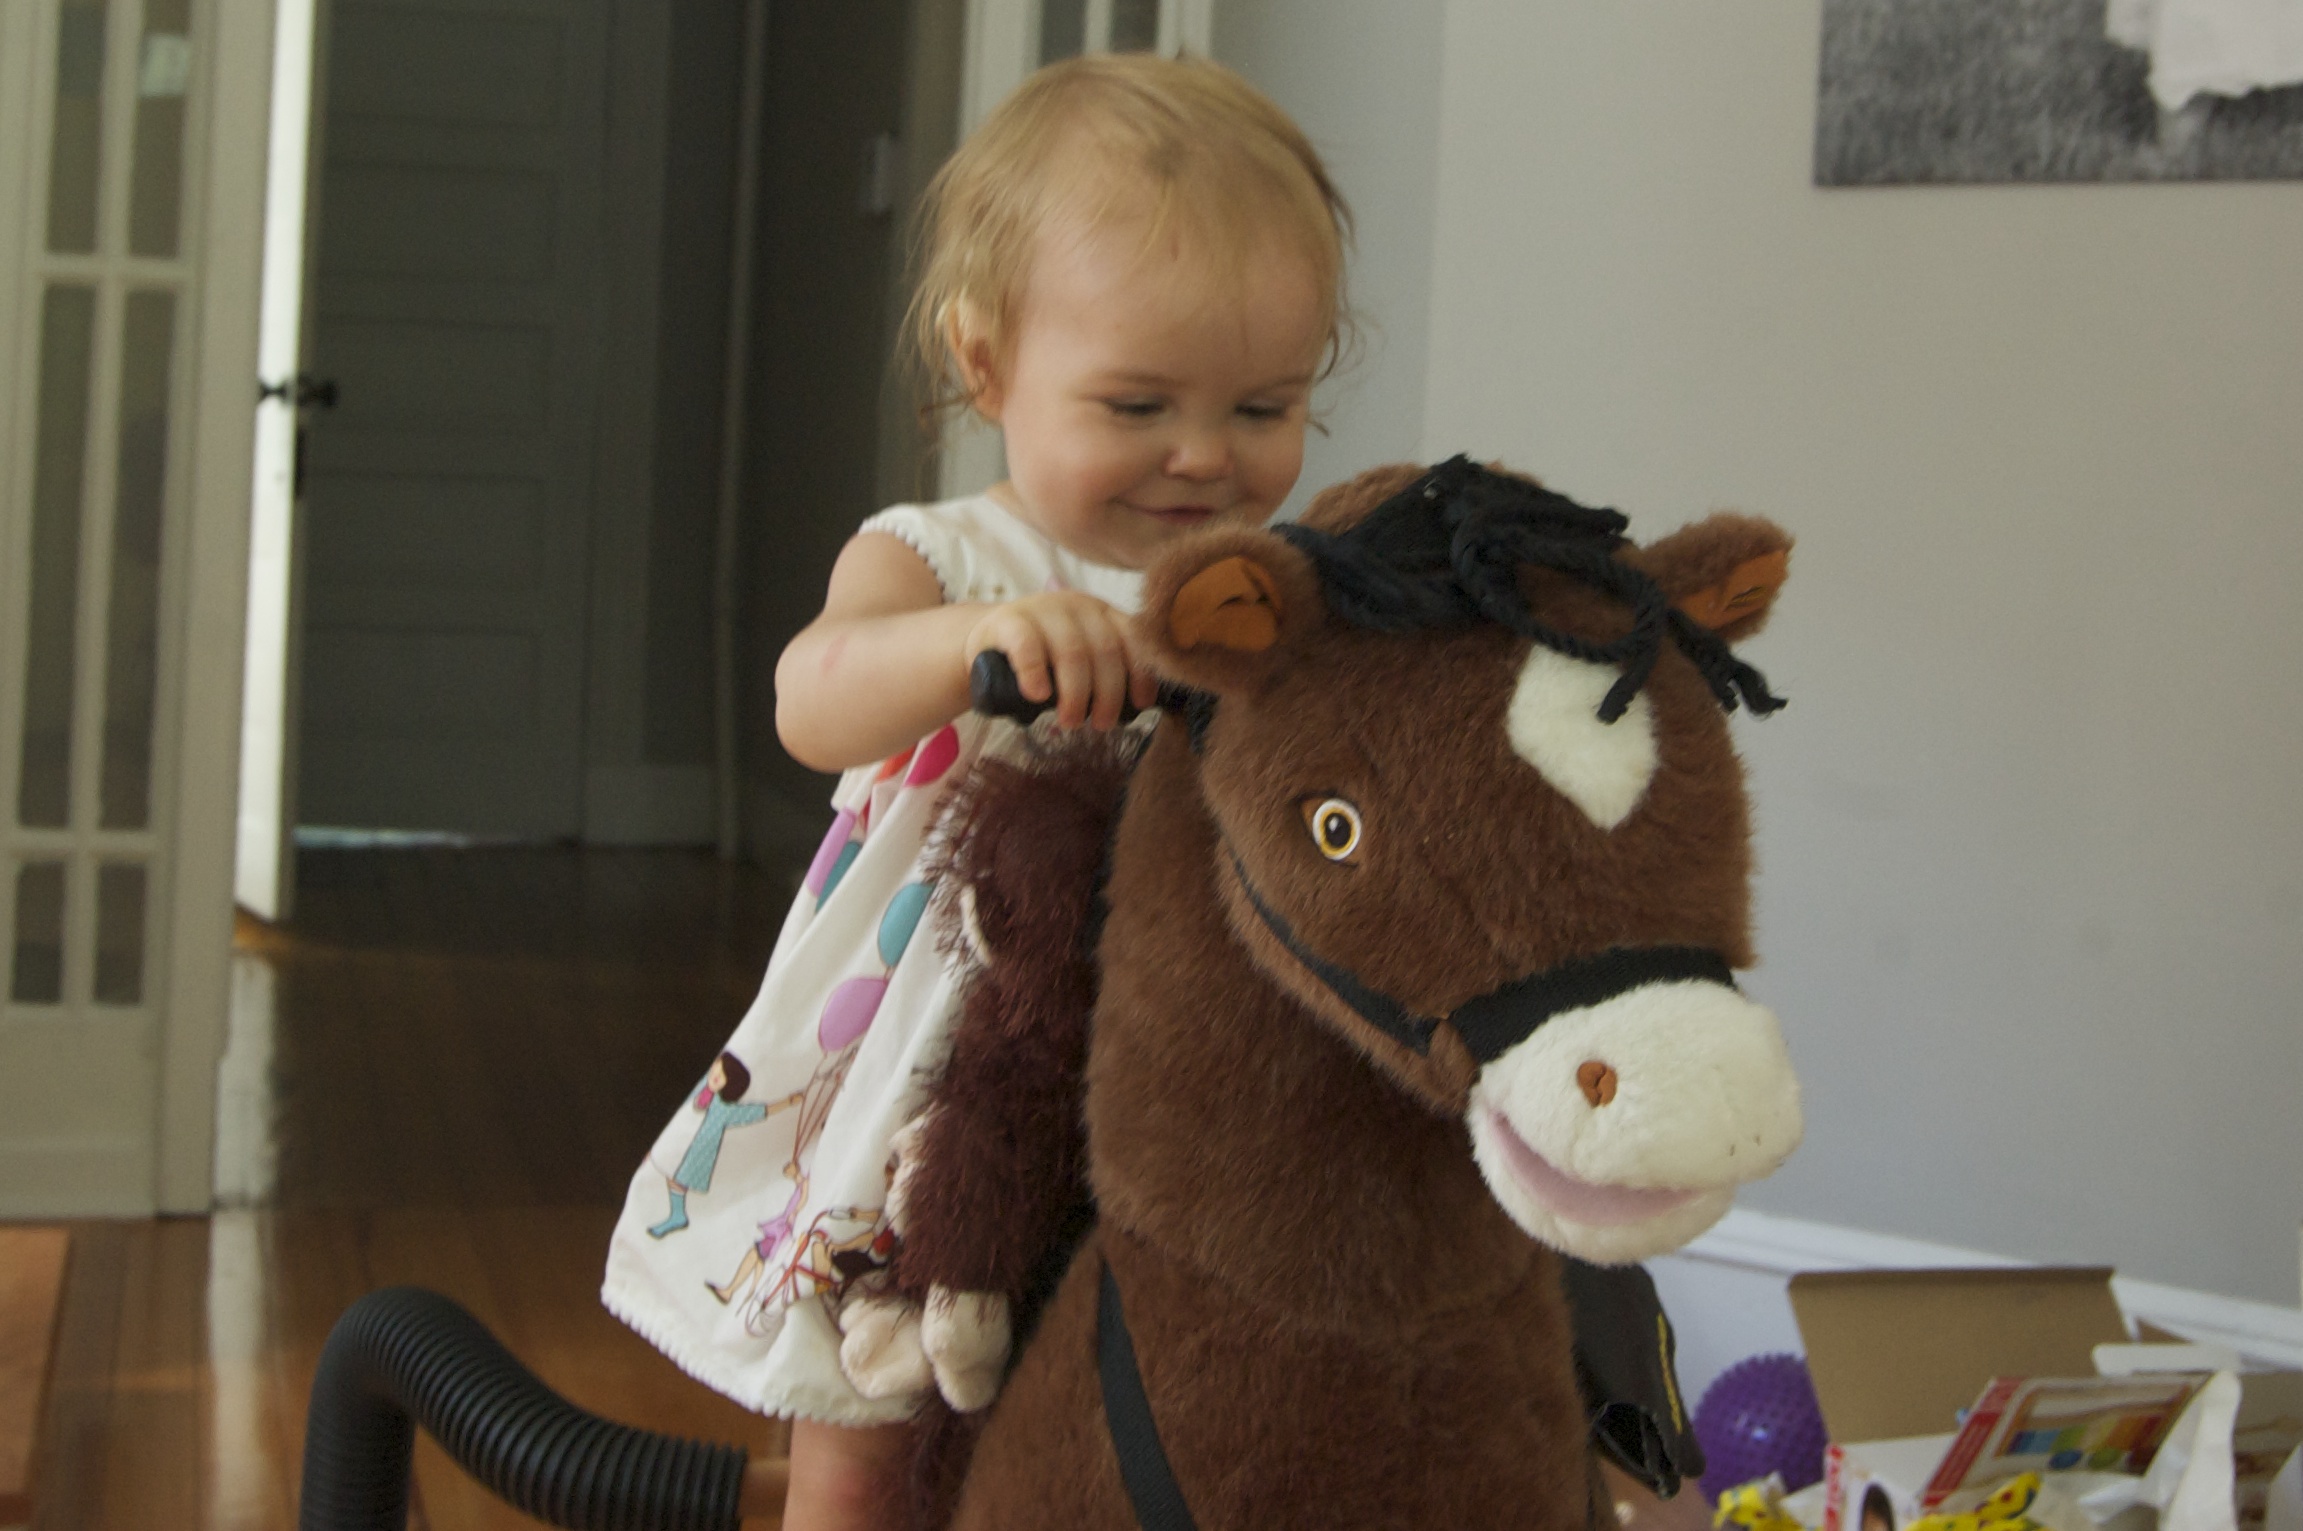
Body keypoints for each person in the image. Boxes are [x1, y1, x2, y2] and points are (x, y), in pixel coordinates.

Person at [600, 51, 1352, 1531]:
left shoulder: (1265, 587)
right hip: (940, 1070)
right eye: (1137, 403)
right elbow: (811, 696)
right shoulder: (945, 560)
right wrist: (972, 643)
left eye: (1265, 406)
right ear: (987, 362)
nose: (1205, 455)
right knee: (878, 1410)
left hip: (1179, 1065)